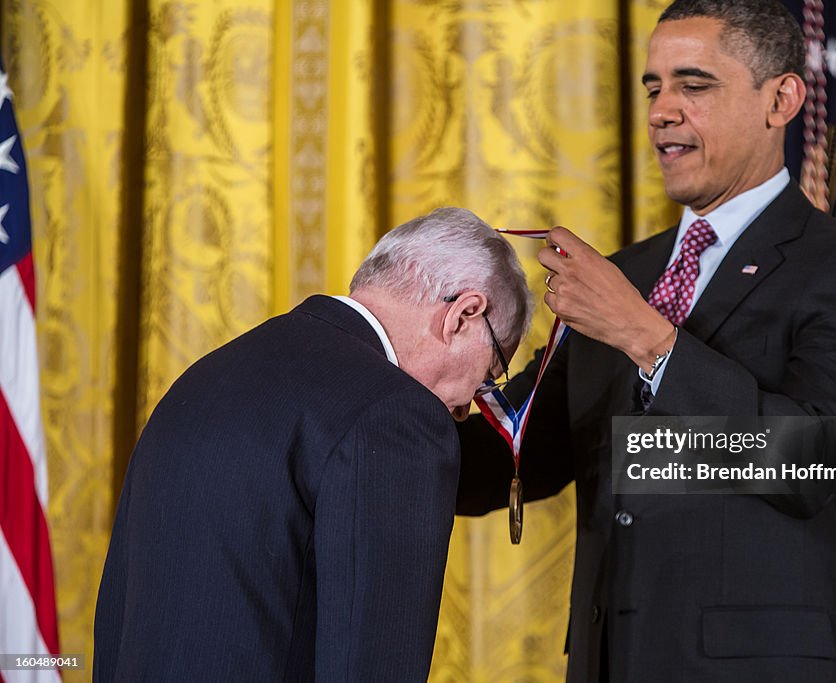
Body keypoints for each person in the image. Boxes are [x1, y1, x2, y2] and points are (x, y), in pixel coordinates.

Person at [456, 1, 836, 681]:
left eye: (694, 86)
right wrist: (389, 391)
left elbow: (822, 461)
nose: (662, 110)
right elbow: (517, 453)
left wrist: (646, 338)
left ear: (780, 99)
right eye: (653, 88)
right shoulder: (627, 272)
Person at [93, 207, 532, 681]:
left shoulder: (203, 378)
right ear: (463, 315)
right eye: (490, 375)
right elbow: (373, 666)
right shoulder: (397, 415)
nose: (466, 407)